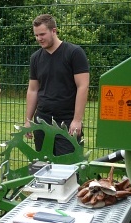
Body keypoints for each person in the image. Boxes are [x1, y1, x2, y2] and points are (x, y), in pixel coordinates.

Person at [24, 14, 89, 156]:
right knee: (43, 167)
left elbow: (82, 86)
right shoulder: (35, 58)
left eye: (42, 34)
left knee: (68, 170)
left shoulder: (74, 53)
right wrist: (28, 121)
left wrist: (77, 120)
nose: (39, 38)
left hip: (67, 121)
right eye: (36, 35)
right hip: (42, 121)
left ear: (54, 31)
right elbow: (33, 90)